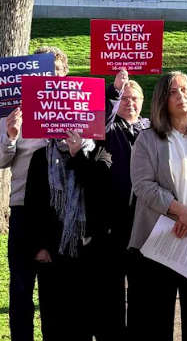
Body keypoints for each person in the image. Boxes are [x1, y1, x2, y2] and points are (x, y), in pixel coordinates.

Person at [127, 71, 187, 341]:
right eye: (172, 91)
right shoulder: (147, 139)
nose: (180, 95)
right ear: (161, 99)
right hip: (160, 238)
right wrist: (180, 212)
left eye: (184, 90)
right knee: (153, 320)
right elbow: (143, 185)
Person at [68, 70, 149, 340]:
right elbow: (97, 120)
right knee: (110, 297)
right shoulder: (105, 131)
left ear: (143, 101)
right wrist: (114, 92)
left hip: (145, 226)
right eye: (124, 99)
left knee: (142, 296)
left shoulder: (151, 131)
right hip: (110, 229)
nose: (130, 103)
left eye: (134, 98)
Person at [0, 45, 68, 341]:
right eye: (43, 73)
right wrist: (11, 137)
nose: (50, 79)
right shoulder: (14, 113)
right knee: (21, 290)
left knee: (56, 293)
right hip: (23, 210)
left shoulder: (76, 109)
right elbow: (1, 161)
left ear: (65, 76)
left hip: (62, 211)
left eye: (55, 73)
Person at [25, 133, 95, 341]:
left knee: (82, 321)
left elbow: (98, 191)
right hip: (52, 252)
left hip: (86, 250)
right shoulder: (40, 157)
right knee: (53, 320)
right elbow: (33, 203)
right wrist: (39, 246)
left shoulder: (98, 153)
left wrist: (78, 155)